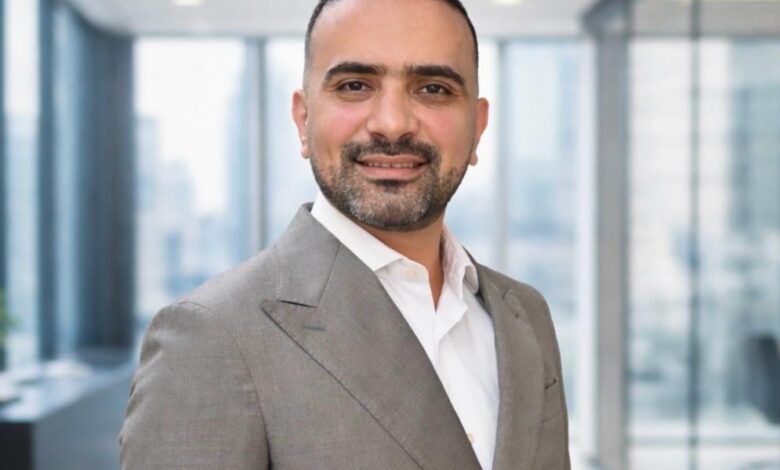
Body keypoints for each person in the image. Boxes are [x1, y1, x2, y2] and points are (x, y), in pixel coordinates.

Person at [120, 0, 570, 468]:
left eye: (433, 89)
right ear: (303, 120)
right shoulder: (211, 337)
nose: (392, 124)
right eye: (355, 86)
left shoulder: (525, 314)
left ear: (477, 127)